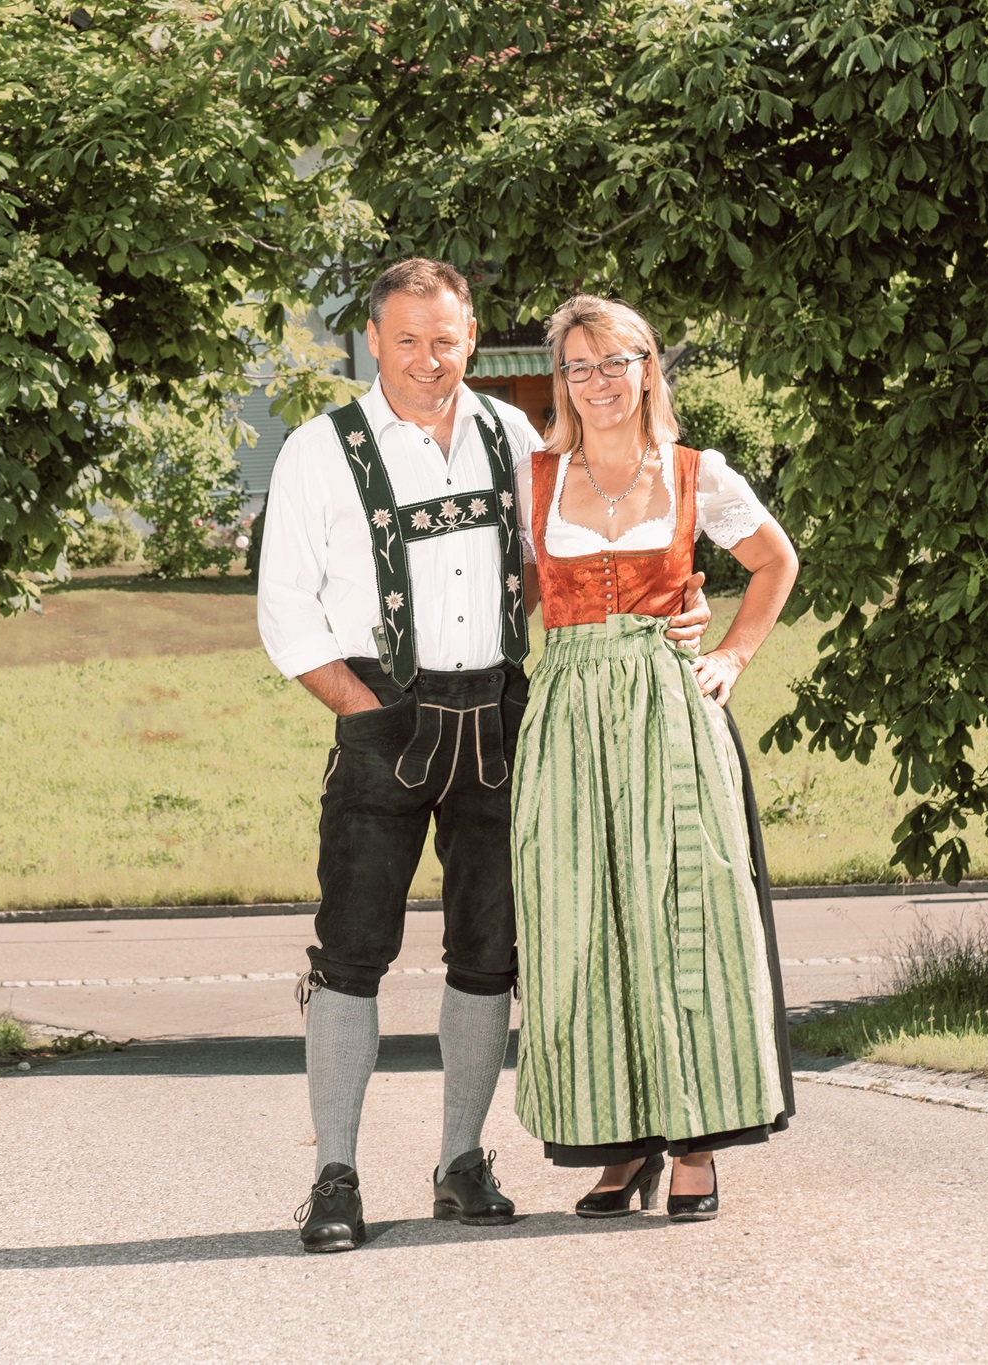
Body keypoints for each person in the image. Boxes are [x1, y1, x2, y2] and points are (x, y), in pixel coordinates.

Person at [257, 259, 714, 1252]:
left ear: (471, 339)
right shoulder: (316, 451)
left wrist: (680, 595)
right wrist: (364, 711)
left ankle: (459, 1161)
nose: (428, 359)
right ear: (371, 340)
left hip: (505, 721)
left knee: (488, 953)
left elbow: (584, 548)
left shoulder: (514, 436)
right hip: (384, 721)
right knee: (350, 954)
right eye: (408, 339)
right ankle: (334, 1174)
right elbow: (285, 614)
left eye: (446, 339)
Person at [511, 294, 800, 1221]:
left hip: (666, 707)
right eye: (577, 367)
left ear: (647, 368)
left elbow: (775, 561)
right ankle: (621, 1138)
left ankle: (697, 1141)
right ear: (563, 381)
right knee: (582, 913)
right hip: (567, 712)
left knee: (687, 908)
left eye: (613, 362)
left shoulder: (694, 472)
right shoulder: (535, 479)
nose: (596, 382)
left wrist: (731, 654)